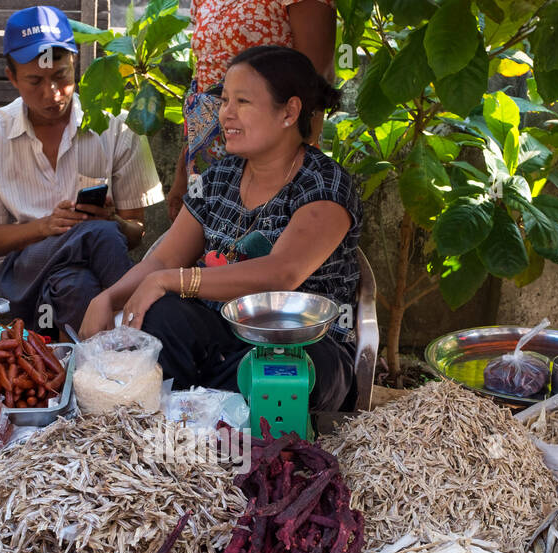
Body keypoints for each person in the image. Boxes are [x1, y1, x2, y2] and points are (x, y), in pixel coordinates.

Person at [81, 46, 360, 412]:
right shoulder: (218, 177)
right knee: (161, 314)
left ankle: (205, 411)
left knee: (276, 374)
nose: (225, 113)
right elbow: (164, 256)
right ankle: (182, 423)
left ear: (289, 112)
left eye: (242, 101)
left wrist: (172, 280)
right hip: (221, 333)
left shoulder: (323, 181)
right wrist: (107, 298)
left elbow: (282, 273)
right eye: (225, 100)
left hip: (301, 346)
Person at [0, 6, 164, 335]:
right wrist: (46, 226)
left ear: (75, 63)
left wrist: (115, 221)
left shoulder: (119, 127)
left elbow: (136, 233)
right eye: (35, 81)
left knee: (75, 283)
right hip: (24, 278)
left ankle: (92, 367)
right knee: (99, 234)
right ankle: (142, 336)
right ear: (12, 77)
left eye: (60, 76)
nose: (51, 93)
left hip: (76, 284)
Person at [167, 0, 337, 222]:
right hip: (208, 154)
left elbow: (314, 77)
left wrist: (292, 170)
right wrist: (185, 168)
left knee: (264, 234)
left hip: (272, 156)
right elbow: (201, 87)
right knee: (207, 243)